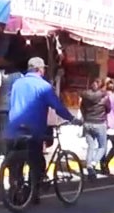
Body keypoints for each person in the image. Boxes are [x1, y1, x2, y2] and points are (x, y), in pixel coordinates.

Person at [5, 57, 77, 204]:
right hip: (33, 129)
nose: (44, 71)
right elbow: (57, 106)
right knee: (36, 162)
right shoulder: (43, 86)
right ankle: (33, 193)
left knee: (15, 163)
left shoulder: (17, 83)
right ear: (39, 70)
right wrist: (71, 118)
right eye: (43, 68)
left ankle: (15, 190)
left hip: (14, 129)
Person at [0, 59, 24, 160]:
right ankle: (10, 153)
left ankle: (0, 153)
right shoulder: (20, 76)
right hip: (15, 108)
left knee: (1, 130)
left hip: (2, 107)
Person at [79, 77, 111, 179]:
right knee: (102, 146)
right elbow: (108, 109)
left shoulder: (85, 95)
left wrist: (85, 117)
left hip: (87, 123)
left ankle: (89, 166)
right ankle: (93, 163)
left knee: (91, 146)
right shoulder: (105, 97)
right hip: (99, 123)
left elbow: (82, 107)